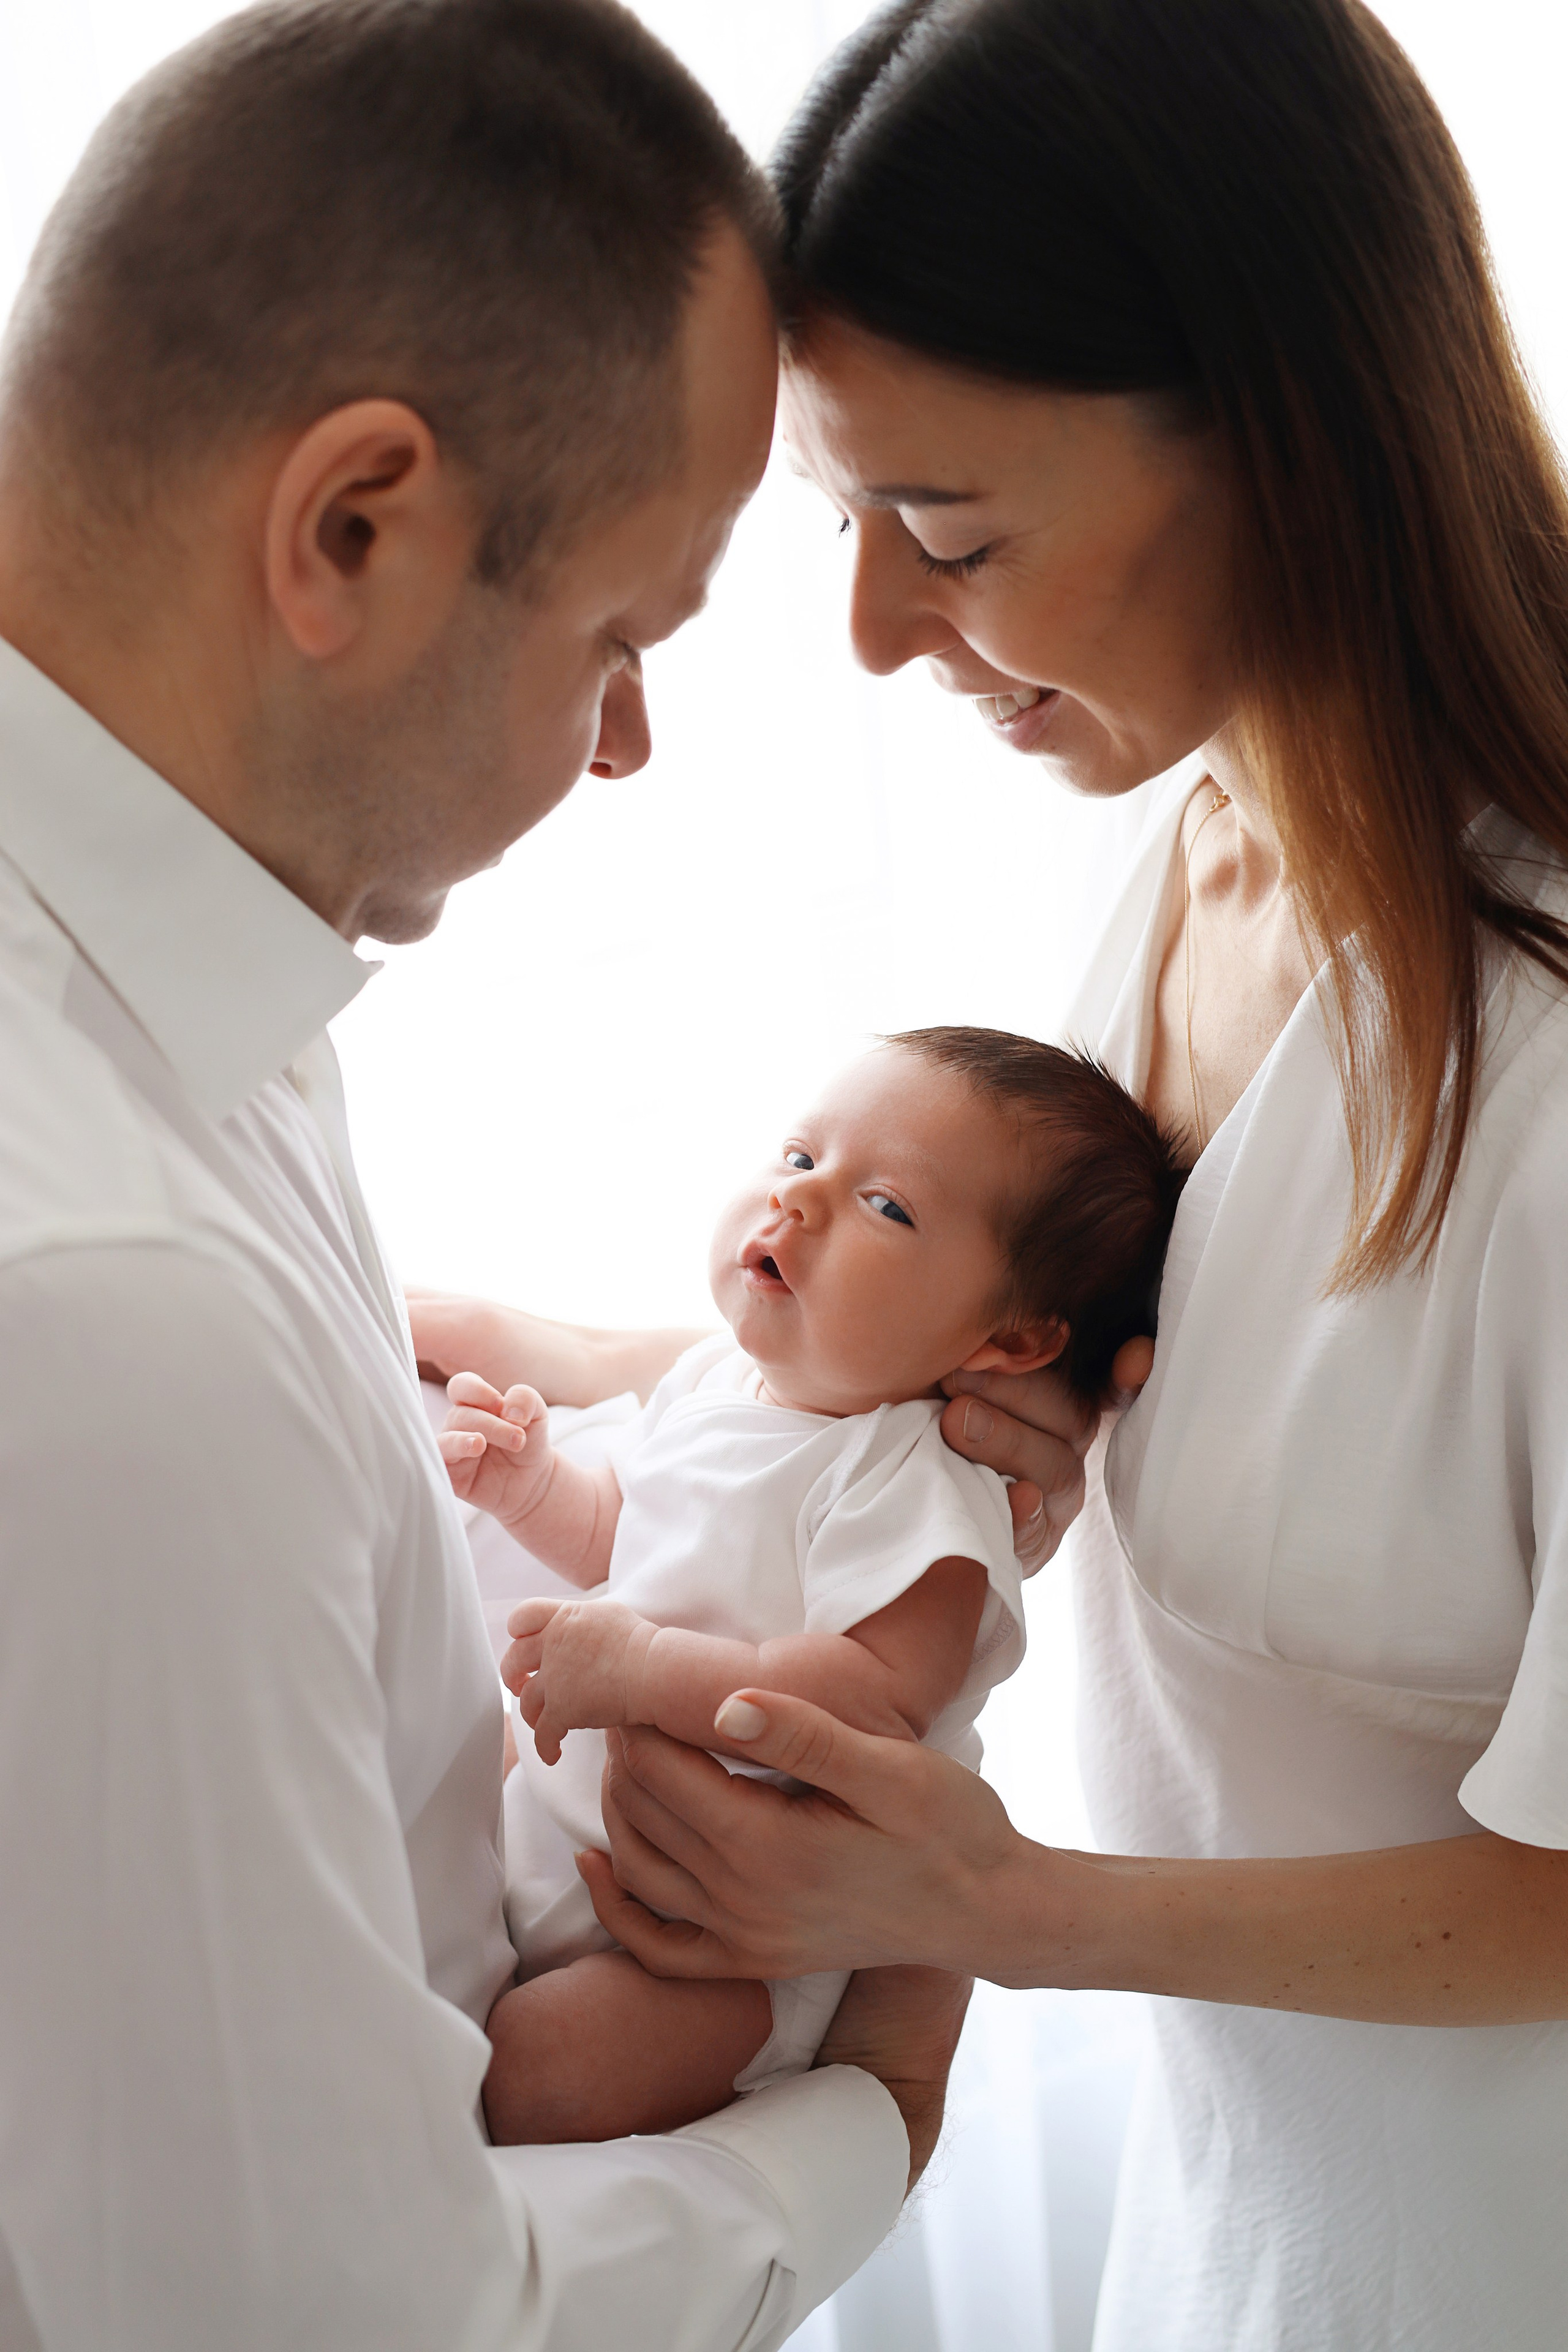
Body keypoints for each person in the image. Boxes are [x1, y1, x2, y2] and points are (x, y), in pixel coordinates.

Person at [418, 2, 1568, 2343]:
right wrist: (572, 1364)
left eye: (941, 531)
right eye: (850, 520)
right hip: (1243, 2214)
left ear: (1288, 438)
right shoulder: (1189, 854)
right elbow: (1037, 1371)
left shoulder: (1534, 1044)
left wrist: (1002, 1907)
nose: (868, 630)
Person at [0, 4, 976, 2346]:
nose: (628, 744)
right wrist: (885, 2103)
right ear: (356, 526)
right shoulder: (112, 1302)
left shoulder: (198, 969)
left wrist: (855, 1398)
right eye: (623, 633)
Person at [426, 1030, 1182, 2145]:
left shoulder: (917, 1482)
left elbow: (872, 1702)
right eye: (797, 1157)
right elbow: (623, 1541)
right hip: (566, 1828)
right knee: (425, 1748)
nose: (802, 1202)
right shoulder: (718, 1381)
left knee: (535, 2082)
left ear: (1013, 1337)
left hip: (714, 1942)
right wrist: (533, 1488)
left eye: (886, 1206)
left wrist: (639, 1671)